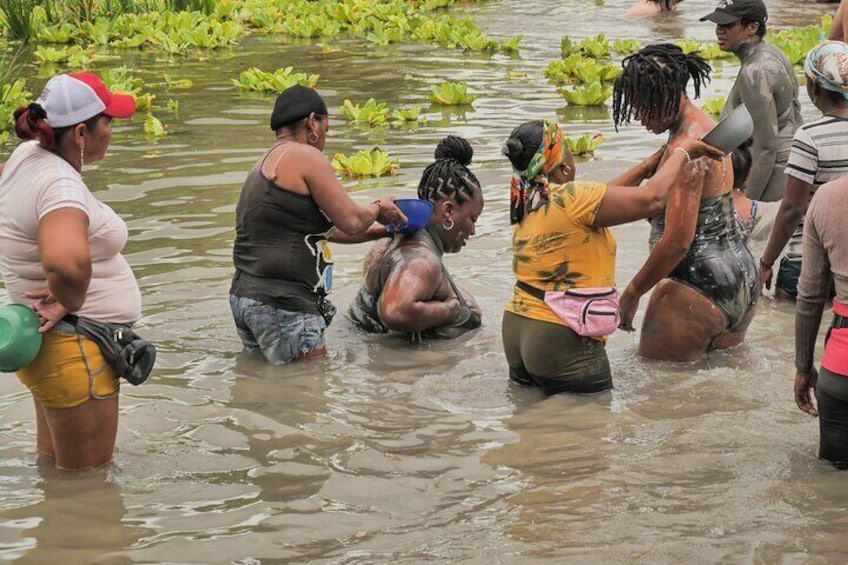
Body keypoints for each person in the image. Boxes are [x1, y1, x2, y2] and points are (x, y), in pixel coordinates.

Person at [501, 118, 722, 394]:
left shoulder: (527, 200)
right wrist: (684, 152)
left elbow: (599, 202)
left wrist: (644, 168)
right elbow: (652, 200)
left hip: (517, 329)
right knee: (592, 431)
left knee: (532, 429)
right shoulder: (572, 198)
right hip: (560, 337)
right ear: (564, 164)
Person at [0, 72, 137, 470]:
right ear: (80, 132)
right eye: (108, 121)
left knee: (59, 478)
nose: (112, 131)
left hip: (46, 351)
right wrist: (65, 301)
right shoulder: (60, 185)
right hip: (76, 351)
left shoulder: (27, 156)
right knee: (90, 492)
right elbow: (66, 262)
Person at [229, 85, 406, 365]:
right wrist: (379, 208)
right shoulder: (305, 156)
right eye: (325, 126)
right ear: (313, 121)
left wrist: (385, 231)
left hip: (247, 297)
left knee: (271, 393)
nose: (325, 136)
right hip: (283, 304)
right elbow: (351, 220)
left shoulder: (264, 163)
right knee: (309, 397)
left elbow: (331, 231)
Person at [613, 44, 759, 362]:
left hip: (694, 288)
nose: (637, 117)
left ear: (666, 95)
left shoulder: (687, 151)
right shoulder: (709, 129)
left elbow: (679, 240)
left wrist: (633, 292)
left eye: (642, 107)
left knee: (659, 397)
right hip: (741, 279)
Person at [349, 136, 483, 341]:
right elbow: (396, 311)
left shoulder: (389, 242)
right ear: (448, 211)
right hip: (393, 365)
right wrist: (450, 308)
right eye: (472, 218)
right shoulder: (422, 260)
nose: (473, 230)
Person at [759, 41, 848, 301]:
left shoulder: (809, 137)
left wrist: (766, 263)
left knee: (795, 333)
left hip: (806, 260)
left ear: (813, 88)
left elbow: (792, 210)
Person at [701, 0, 802, 202]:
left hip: (775, 174)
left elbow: (765, 148)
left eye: (727, 25)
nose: (719, 31)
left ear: (752, 27)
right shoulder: (771, 53)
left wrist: (746, 204)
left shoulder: (755, 71)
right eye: (718, 25)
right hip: (793, 164)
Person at [794, 176, 848, 469]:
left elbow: (810, 297)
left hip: (840, 371)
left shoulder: (827, 197)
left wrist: (803, 366)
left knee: (833, 487)